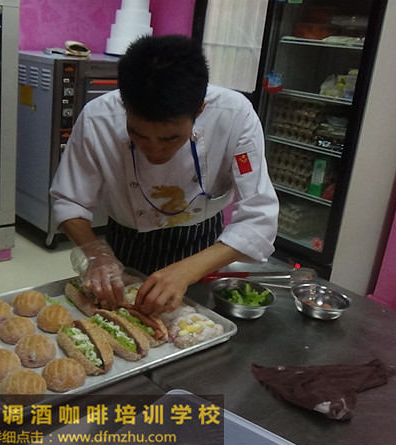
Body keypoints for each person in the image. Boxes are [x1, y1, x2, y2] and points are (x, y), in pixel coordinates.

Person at [50, 35, 279, 315]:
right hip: (128, 243)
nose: (155, 150)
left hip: (204, 246)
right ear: (124, 106)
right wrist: (96, 254)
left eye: (170, 138)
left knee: (195, 326)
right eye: (137, 134)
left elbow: (260, 217)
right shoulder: (97, 119)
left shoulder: (235, 115)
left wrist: (188, 270)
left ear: (200, 109)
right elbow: (69, 201)